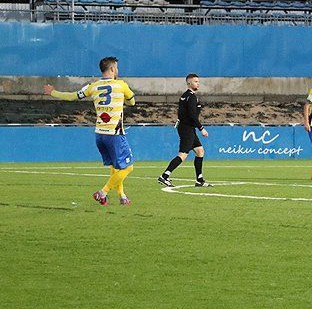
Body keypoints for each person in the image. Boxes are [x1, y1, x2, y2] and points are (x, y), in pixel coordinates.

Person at [44, 56, 136, 205]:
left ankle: (122, 196)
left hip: (100, 134)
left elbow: (72, 96)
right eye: (116, 68)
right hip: (115, 134)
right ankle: (102, 192)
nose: (117, 70)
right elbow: (132, 102)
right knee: (128, 167)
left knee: (115, 167)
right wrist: (124, 98)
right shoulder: (121, 85)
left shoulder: (92, 86)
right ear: (112, 69)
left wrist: (53, 92)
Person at [158, 73, 212, 188]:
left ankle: (199, 180)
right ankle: (165, 176)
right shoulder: (191, 97)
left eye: (198, 81)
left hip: (187, 128)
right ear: (189, 83)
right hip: (187, 128)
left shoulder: (185, 96)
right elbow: (193, 116)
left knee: (200, 151)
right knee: (183, 154)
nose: (198, 83)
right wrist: (201, 128)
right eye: (195, 81)